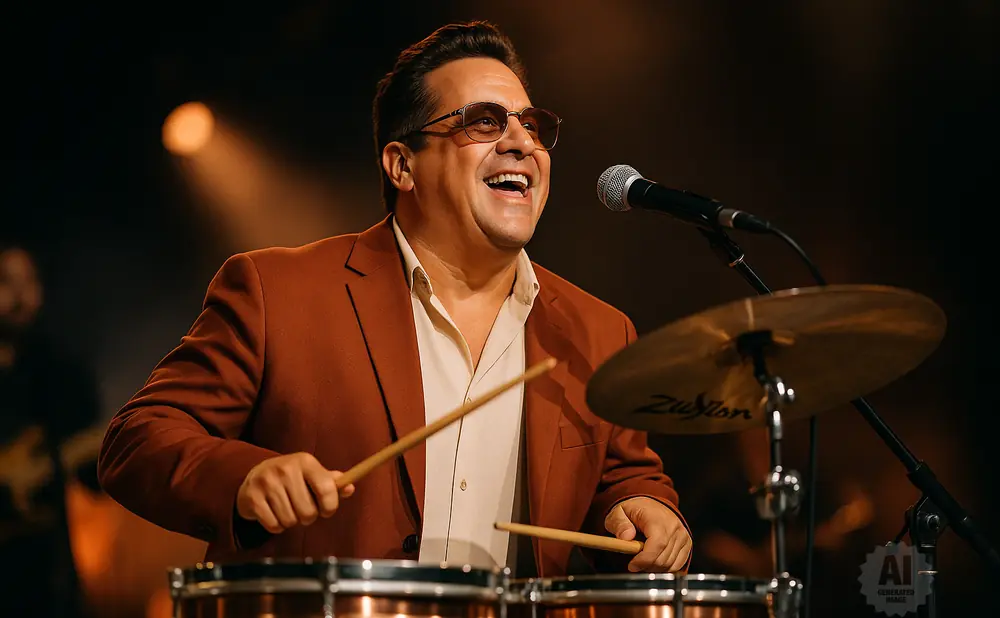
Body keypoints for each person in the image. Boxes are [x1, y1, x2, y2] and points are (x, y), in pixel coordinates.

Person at [97, 20, 692, 577]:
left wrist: (645, 507)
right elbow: (140, 438)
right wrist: (244, 478)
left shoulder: (597, 330)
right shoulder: (278, 292)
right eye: (484, 122)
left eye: (532, 125)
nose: (522, 143)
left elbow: (625, 477)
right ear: (402, 165)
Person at [1, 242, 103, 616]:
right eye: (5, 281)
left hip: (46, 577)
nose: (19, 295)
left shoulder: (61, 376)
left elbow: (94, 478)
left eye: (29, 281)